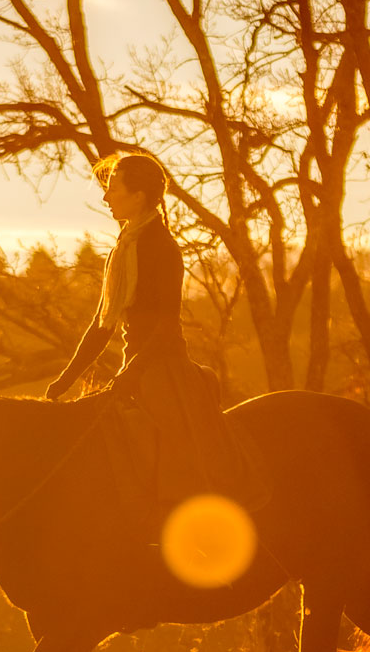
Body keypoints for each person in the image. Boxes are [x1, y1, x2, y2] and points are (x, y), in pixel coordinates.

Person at [45, 151, 246, 513]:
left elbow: (167, 322)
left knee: (177, 461)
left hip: (163, 367)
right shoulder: (124, 248)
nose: (106, 197)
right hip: (134, 366)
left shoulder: (161, 247)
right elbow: (102, 324)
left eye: (114, 189)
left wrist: (132, 372)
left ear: (138, 196)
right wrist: (65, 380)